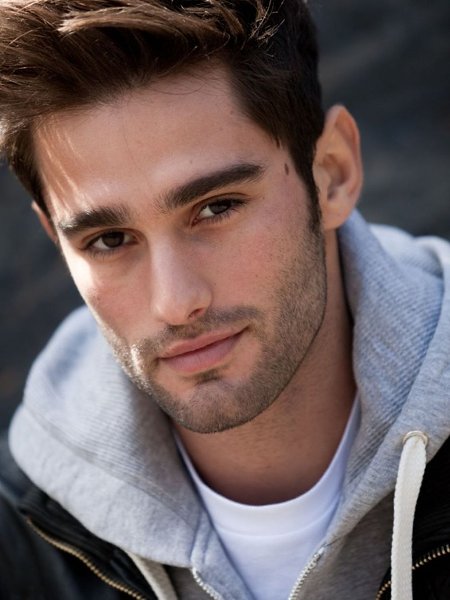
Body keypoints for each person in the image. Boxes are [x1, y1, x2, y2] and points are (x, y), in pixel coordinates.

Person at [0, 0, 449, 598]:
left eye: (216, 208)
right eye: (109, 240)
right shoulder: (22, 538)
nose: (175, 303)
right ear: (57, 241)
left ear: (332, 174)